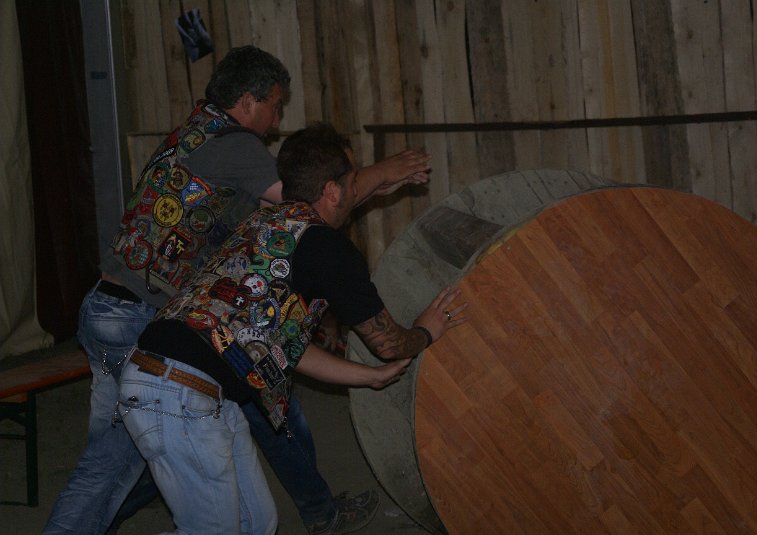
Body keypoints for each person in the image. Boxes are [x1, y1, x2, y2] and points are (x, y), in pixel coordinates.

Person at [43, 45, 431, 535]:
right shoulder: (237, 147)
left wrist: (369, 187)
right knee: (126, 459)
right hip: (142, 317)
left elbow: (313, 207)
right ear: (248, 100)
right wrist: (385, 172)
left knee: (196, 425)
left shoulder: (194, 130)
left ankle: (316, 508)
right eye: (275, 106)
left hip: (111, 308)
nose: (276, 121)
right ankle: (315, 510)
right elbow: (308, 199)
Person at [116, 122, 465, 534]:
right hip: (180, 391)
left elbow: (278, 350)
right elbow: (388, 343)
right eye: (353, 180)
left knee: (257, 523)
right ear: (332, 191)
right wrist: (425, 331)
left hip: (181, 384)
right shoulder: (329, 249)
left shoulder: (265, 222)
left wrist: (367, 377)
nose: (358, 189)